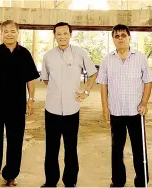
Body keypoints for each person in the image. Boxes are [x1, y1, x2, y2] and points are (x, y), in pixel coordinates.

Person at [0, 20, 40, 187]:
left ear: (17, 33)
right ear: (1, 33)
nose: (9, 34)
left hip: (17, 106)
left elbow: (31, 79)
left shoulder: (24, 54)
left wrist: (31, 99)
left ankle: (10, 175)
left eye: (12, 31)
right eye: (6, 31)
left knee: (15, 141)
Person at [40, 22, 97, 187]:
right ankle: (50, 181)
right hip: (52, 108)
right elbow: (45, 78)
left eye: (65, 33)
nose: (62, 37)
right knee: (51, 148)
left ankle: (70, 182)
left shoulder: (81, 53)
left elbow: (93, 74)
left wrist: (85, 92)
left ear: (70, 35)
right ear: (54, 36)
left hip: (72, 108)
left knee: (71, 148)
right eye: (59, 34)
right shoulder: (48, 56)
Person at [96, 24, 152, 187]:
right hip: (116, 111)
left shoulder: (140, 57)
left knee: (139, 148)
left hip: (136, 112)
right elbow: (103, 84)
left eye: (123, 35)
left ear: (129, 37)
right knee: (117, 149)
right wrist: (105, 107)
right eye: (117, 36)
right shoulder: (107, 59)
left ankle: (142, 182)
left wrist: (144, 102)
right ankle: (118, 181)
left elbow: (148, 81)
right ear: (113, 39)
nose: (120, 38)